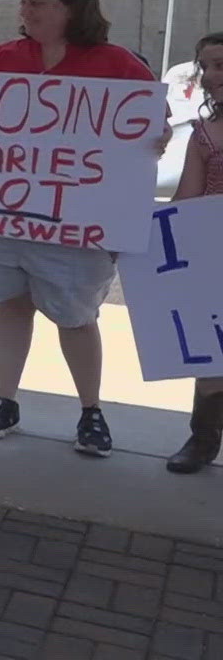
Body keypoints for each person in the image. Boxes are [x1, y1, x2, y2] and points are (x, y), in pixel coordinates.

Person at [0, 0, 166, 456]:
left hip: (77, 223)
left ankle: (90, 411)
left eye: (38, 2)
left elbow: (151, 127)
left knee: (75, 316)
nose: (26, 11)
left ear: (72, 7)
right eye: (23, 1)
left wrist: (153, 138)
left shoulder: (118, 65)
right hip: (3, 217)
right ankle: (4, 400)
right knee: (10, 304)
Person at [167, 31, 223, 473]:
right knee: (211, 354)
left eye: (221, 63)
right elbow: (185, 198)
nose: (215, 74)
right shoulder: (202, 134)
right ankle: (202, 440)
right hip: (212, 254)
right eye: (208, 66)